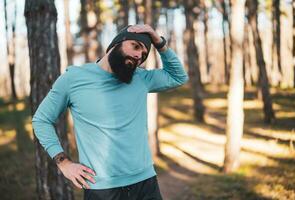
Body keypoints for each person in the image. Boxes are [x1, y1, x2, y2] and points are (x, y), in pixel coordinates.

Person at [32, 24, 189, 200]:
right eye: (136, 46)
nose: (139, 55)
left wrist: (158, 41)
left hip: (146, 183)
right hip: (102, 190)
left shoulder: (141, 78)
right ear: (117, 43)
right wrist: (64, 163)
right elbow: (41, 120)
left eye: (143, 54)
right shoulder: (74, 78)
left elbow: (178, 77)